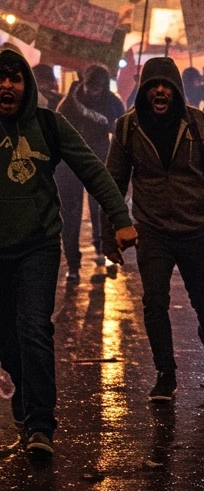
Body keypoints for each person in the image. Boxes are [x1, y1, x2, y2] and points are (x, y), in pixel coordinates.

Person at [0, 48, 135, 457]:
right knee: (7, 338)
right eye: (0, 77)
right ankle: (23, 386)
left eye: (15, 77)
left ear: (26, 85)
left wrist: (119, 216)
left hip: (37, 246)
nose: (7, 85)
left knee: (35, 328)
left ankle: (41, 424)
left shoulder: (48, 124)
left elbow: (93, 168)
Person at [104, 57, 204, 401]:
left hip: (197, 229)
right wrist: (109, 232)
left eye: (167, 86)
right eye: (153, 86)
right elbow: (112, 181)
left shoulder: (201, 125)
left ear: (177, 91)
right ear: (145, 91)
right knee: (154, 302)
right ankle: (165, 373)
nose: (160, 91)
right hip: (153, 230)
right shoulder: (127, 127)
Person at [57, 64, 125, 280]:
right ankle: (73, 265)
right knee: (71, 216)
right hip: (70, 167)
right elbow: (57, 131)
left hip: (99, 165)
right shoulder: (69, 102)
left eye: (95, 89)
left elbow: (121, 130)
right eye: (88, 87)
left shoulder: (112, 103)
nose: (90, 92)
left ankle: (105, 252)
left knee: (102, 213)